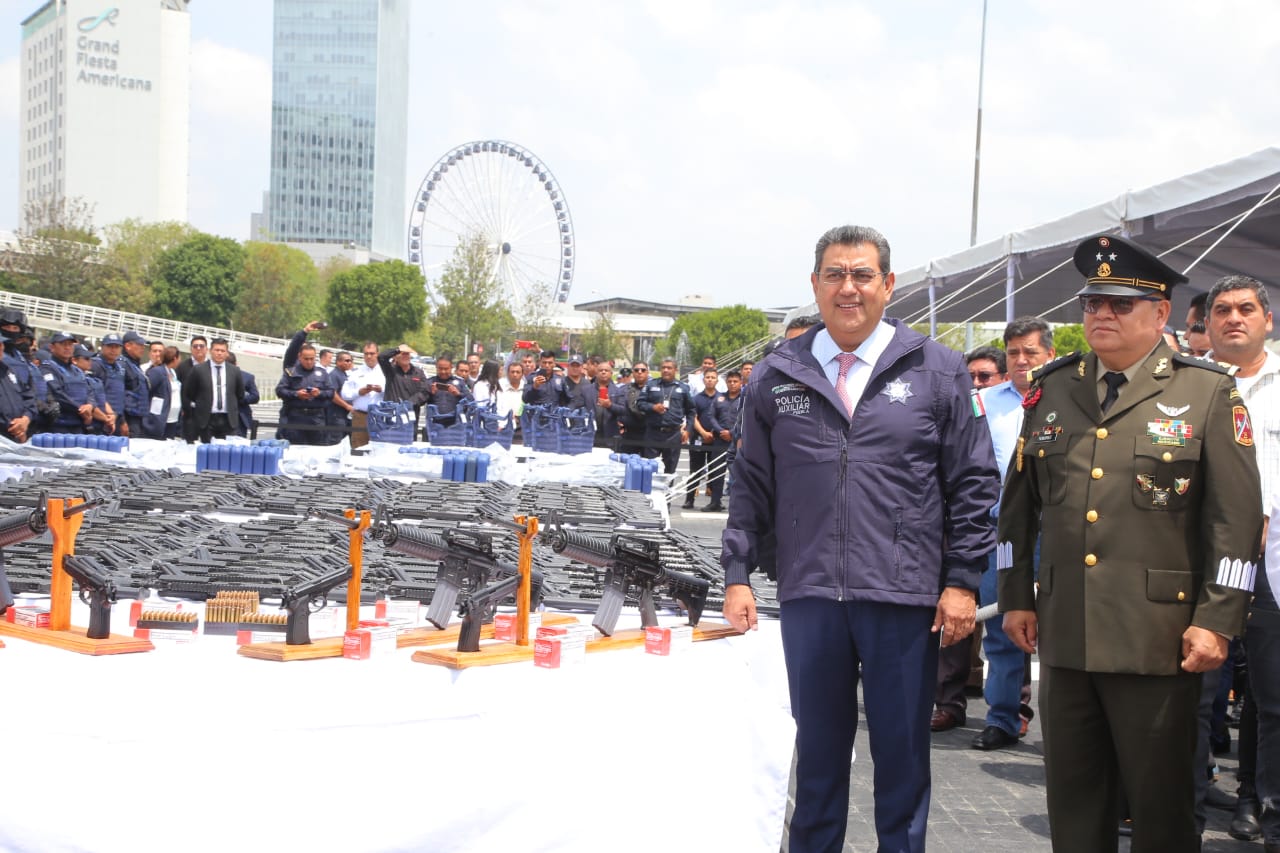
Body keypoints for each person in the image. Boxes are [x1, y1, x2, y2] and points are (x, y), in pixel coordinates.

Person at [722, 224, 999, 853]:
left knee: (902, 760)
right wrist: (737, 573)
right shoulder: (777, 374)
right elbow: (750, 483)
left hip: (903, 596)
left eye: (862, 275)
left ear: (888, 284)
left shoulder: (938, 370)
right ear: (815, 284)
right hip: (811, 595)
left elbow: (974, 481)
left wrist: (961, 581)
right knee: (818, 759)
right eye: (835, 275)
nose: (849, 288)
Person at [998, 235, 1262, 853]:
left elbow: (1236, 519)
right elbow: (1018, 507)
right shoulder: (1051, 388)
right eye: (1092, 304)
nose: (1102, 315)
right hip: (1066, 633)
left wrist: (1218, 620)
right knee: (1075, 804)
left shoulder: (1207, 392)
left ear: (1160, 313)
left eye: (1120, 304)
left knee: (1160, 809)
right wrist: (1016, 596)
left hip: (1160, 640)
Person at [1203, 274, 1280, 846]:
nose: (1234, 318)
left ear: (1267, 320)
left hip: (1272, 561)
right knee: (1197, 692)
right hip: (1199, 562)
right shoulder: (1188, 383)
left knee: (1270, 695)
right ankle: (1181, 803)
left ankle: (1260, 803)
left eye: (1246, 309)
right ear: (1206, 324)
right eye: (1223, 310)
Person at [966, 319, 1056, 751]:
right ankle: (1001, 718)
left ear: (1050, 355)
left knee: (1062, 631)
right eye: (1014, 352)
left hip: (1057, 533)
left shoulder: (1072, 399)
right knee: (1001, 630)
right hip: (1000, 532)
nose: (1021, 360)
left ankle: (1065, 729)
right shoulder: (982, 403)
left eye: (1031, 352)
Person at [931, 344, 1008, 734]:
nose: (976, 383)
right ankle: (947, 700)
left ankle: (1008, 710)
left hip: (1003, 528)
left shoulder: (1023, 406)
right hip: (950, 523)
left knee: (1000, 619)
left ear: (1002, 377)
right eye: (970, 375)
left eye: (984, 376)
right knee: (950, 615)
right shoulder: (959, 402)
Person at [637, 357, 695, 474]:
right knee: (649, 469)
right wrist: (653, 407)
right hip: (653, 433)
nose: (666, 370)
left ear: (675, 370)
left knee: (670, 470)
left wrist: (688, 430)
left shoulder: (683, 388)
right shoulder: (651, 385)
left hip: (673, 434)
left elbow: (691, 410)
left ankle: (668, 487)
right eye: (663, 367)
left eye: (669, 368)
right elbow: (640, 404)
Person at [181, 337, 245, 443]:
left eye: (222, 351)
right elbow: (189, 392)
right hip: (207, 418)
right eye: (217, 350)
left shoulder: (234, 371)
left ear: (227, 353)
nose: (219, 353)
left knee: (226, 449)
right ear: (210, 351)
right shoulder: (198, 370)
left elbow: (240, 393)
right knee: (207, 448)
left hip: (228, 418)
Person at [278, 323, 332, 444]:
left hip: (316, 418)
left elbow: (330, 393)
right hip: (295, 416)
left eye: (311, 358)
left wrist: (319, 393)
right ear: (299, 356)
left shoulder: (322, 372)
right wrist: (305, 331)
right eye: (306, 358)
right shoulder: (291, 367)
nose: (309, 361)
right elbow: (280, 390)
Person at [686, 367, 730, 512]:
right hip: (699, 438)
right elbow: (693, 417)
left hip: (716, 440)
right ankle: (689, 499)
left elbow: (723, 418)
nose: (710, 380)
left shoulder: (722, 398)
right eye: (707, 377)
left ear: (717, 380)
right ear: (703, 380)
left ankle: (715, 501)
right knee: (695, 470)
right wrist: (703, 433)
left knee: (716, 471)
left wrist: (713, 433)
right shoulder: (696, 398)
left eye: (713, 377)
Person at [44, 332, 93, 434]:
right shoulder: (48, 367)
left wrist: (90, 405)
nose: (67, 348)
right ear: (52, 347)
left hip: (78, 424)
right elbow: (57, 394)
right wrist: (80, 409)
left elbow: (89, 391)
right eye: (63, 344)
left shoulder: (77, 370)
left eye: (70, 344)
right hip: (59, 425)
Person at [341, 342, 384, 449]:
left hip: (380, 416)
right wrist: (359, 392)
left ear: (377, 354)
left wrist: (381, 390)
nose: (369, 356)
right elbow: (344, 394)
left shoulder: (385, 372)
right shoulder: (355, 372)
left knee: (379, 448)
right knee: (359, 448)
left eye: (372, 353)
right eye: (366, 354)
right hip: (361, 416)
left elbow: (393, 391)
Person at [89, 334, 129, 436]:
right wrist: (106, 416)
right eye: (110, 346)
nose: (113, 350)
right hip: (101, 419)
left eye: (117, 347)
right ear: (102, 347)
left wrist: (122, 421)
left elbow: (119, 397)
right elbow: (93, 394)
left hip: (117, 419)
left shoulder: (120, 368)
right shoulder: (95, 365)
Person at [0, 337, 36, 442]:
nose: (0, 348)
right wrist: (14, 427)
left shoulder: (8, 371)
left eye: (1, 344)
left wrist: (25, 420)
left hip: (14, 439)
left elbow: (28, 397)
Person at [119, 331, 152, 438]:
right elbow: (118, 394)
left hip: (138, 417)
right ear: (128, 346)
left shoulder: (135, 365)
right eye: (139, 345)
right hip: (128, 418)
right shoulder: (122, 364)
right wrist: (122, 420)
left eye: (143, 345)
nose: (143, 348)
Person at [424, 356, 471, 428]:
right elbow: (422, 400)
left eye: (446, 369)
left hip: (456, 423)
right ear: (436, 367)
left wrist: (458, 394)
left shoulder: (460, 382)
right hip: (435, 423)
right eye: (440, 369)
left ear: (451, 368)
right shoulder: (429, 382)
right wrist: (431, 393)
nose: (443, 371)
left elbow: (471, 400)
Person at [226, 353, 260, 438]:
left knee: (238, 442)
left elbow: (255, 396)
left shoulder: (247, 377)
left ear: (235, 364)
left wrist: (240, 398)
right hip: (219, 417)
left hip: (239, 418)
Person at [142, 344, 172, 440]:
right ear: (149, 353)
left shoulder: (170, 371)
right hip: (150, 418)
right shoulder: (143, 368)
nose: (158, 354)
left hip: (168, 417)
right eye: (155, 351)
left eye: (160, 351)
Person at [325, 351, 355, 444]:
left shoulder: (345, 374)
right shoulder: (334, 375)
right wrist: (347, 406)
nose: (349, 363)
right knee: (336, 442)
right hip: (336, 416)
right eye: (347, 361)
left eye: (351, 360)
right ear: (338, 362)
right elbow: (332, 394)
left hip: (346, 416)